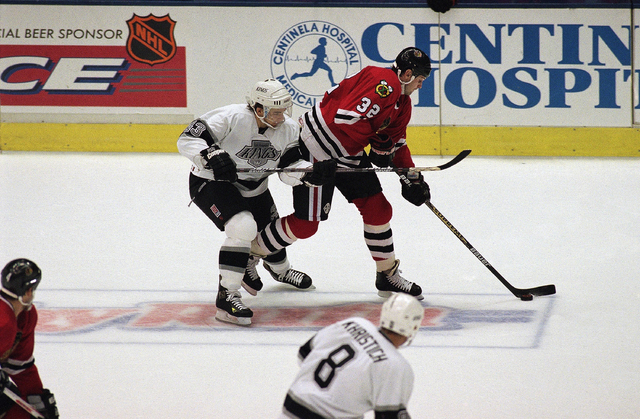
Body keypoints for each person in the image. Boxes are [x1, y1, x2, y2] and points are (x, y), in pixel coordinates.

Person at [252, 47, 432, 300]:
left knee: (378, 209)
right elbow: (346, 119)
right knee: (306, 224)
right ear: (407, 74)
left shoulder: (402, 103)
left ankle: (387, 275)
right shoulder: (385, 82)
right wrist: (378, 144)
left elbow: (396, 142)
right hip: (316, 148)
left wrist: (411, 177)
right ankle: (251, 253)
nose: (420, 86)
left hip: (348, 152)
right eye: (420, 80)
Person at [177, 78, 337, 326]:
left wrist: (310, 173)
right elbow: (187, 139)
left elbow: (288, 168)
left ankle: (280, 271)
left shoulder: (289, 129)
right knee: (243, 227)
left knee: (270, 233)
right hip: (212, 182)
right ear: (258, 109)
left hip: (255, 186)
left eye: (284, 110)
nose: (282, 117)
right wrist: (210, 154)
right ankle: (226, 296)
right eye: (276, 112)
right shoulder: (230, 117)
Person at [280, 293, 424, 419]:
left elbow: (304, 354)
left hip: (292, 404)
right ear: (414, 327)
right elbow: (389, 416)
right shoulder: (395, 365)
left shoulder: (354, 323)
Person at [1, 259, 59, 419]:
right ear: (28, 291)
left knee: (28, 413)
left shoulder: (25, 317)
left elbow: (19, 365)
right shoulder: (4, 322)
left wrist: (36, 396)